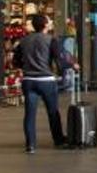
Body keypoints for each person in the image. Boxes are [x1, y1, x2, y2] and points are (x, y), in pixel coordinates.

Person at [13, 14, 72, 154]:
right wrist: (69, 67)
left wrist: (26, 67)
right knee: (52, 112)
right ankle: (58, 140)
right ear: (45, 25)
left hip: (28, 81)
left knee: (29, 114)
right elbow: (60, 61)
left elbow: (15, 61)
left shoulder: (24, 40)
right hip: (46, 81)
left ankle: (30, 145)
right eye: (49, 21)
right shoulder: (51, 40)